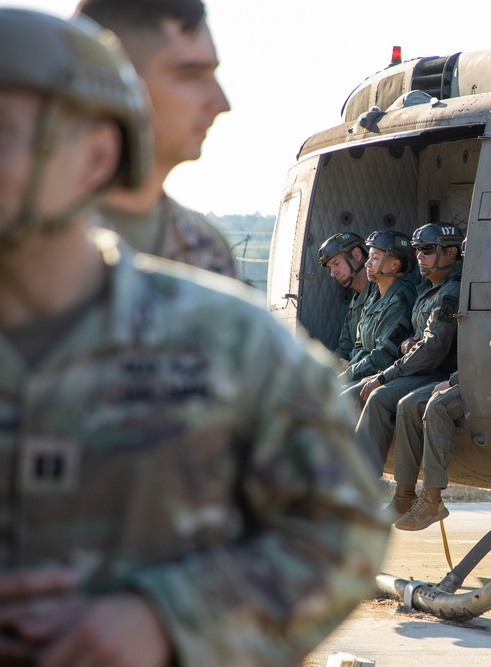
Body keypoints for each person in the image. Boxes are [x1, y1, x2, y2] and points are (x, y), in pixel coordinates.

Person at [0, 10, 387, 667]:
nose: (219, 101)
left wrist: (169, 618)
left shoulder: (233, 343)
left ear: (97, 156)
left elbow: (340, 525)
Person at [75, 0, 237, 277]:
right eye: (191, 75)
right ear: (117, 81)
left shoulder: (207, 249)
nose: (221, 103)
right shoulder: (25, 242)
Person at [356, 224, 463, 505]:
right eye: (417, 250)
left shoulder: (450, 291)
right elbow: (424, 335)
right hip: (426, 369)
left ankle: (386, 492)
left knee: (385, 397)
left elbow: (433, 349)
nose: (420, 256)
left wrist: (386, 375)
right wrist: (410, 342)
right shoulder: (429, 288)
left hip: (439, 372)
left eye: (427, 250)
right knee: (378, 397)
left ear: (451, 253)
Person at [342, 230, 416, 385]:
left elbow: (383, 357)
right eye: (369, 257)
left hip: (387, 376)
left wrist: (349, 373)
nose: (367, 263)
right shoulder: (373, 297)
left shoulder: (400, 300)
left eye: (375, 258)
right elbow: (359, 346)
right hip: (365, 372)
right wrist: (351, 370)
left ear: (395, 264)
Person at [392, 372, 464, 530]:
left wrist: (454, 381)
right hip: (460, 376)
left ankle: (432, 500)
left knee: (437, 407)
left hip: (478, 380)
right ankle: (404, 494)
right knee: (407, 405)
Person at [318, 231, 377, 361]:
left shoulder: (382, 293)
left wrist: (350, 368)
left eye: (336, 264)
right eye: (330, 268)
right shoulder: (354, 303)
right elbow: (345, 348)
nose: (333, 273)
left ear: (357, 255)